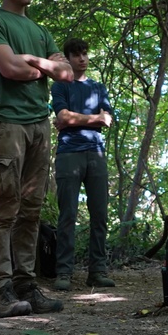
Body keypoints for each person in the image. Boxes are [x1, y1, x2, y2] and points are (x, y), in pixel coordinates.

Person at [0, 0, 73, 317]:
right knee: (4, 208)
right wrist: (44, 64)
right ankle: (0, 291)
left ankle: (26, 286)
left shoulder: (41, 30)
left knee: (31, 210)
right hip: (5, 125)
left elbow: (65, 75)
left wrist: (33, 61)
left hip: (39, 124)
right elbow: (10, 68)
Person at [50, 38, 115, 291]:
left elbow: (107, 120)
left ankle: (97, 271)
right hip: (69, 154)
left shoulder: (98, 87)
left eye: (85, 53)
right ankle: (63, 272)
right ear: (68, 58)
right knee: (68, 215)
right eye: (76, 54)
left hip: (96, 154)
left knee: (100, 214)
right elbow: (62, 116)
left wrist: (75, 120)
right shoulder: (60, 87)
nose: (82, 59)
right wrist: (93, 118)